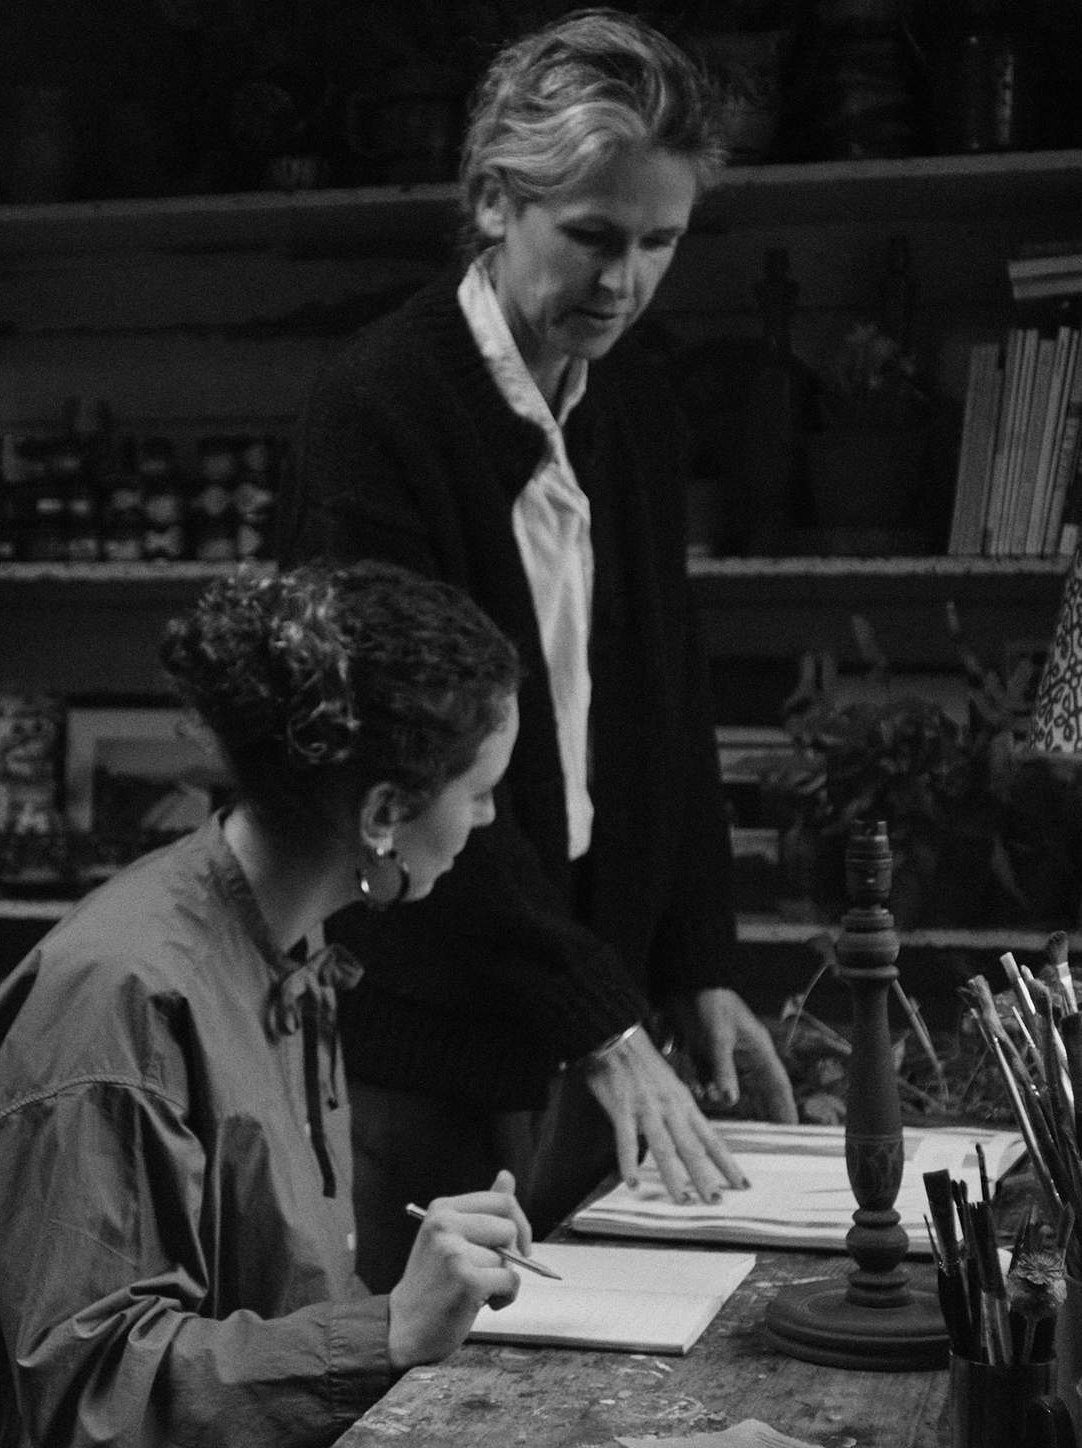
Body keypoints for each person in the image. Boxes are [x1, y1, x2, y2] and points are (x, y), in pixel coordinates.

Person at [275, 7, 796, 1291]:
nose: (622, 281)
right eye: (592, 238)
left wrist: (698, 967)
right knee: (426, 1400)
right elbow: (410, 776)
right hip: (422, 1032)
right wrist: (605, 1018)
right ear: (496, 202)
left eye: (658, 243)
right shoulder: (375, 414)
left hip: (581, 1007)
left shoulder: (622, 402)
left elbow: (662, 707)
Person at [0, 561, 533, 1448]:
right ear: (383, 811)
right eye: (479, 793)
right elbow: (93, 1401)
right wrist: (389, 1328)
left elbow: (282, 1301)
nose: (484, 822)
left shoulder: (290, 943)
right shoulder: (121, 996)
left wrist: (402, 1310)